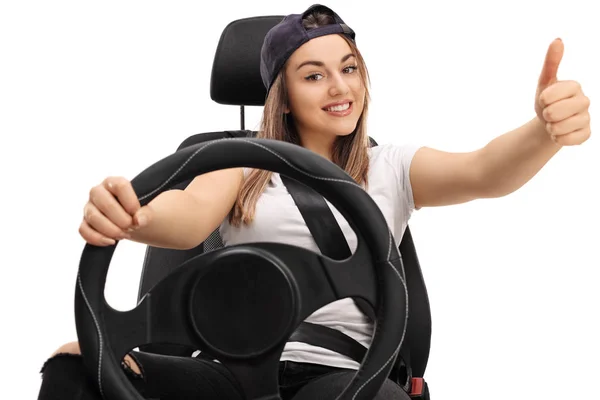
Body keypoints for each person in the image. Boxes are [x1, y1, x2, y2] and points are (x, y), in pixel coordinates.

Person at [37, 4, 591, 400]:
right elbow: (186, 220)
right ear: (283, 91)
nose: (338, 87)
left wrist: (544, 131)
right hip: (231, 373)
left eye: (349, 69)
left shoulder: (390, 166)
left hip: (340, 376)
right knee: (73, 364)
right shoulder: (238, 162)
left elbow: (484, 170)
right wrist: (133, 216)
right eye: (314, 75)